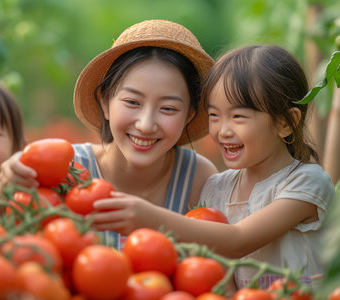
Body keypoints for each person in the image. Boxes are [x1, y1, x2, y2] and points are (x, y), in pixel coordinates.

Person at [94, 45, 335, 289]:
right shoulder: (216, 188)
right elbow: (220, 274)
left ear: (285, 122)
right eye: (214, 116)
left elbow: (238, 240)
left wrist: (149, 216)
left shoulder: (307, 183)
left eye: (238, 117)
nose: (223, 131)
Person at [0, 19, 218, 249]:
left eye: (168, 109)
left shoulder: (196, 178)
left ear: (190, 115)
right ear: (105, 102)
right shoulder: (64, 169)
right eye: (132, 102)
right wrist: (3, 193)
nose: (145, 124)